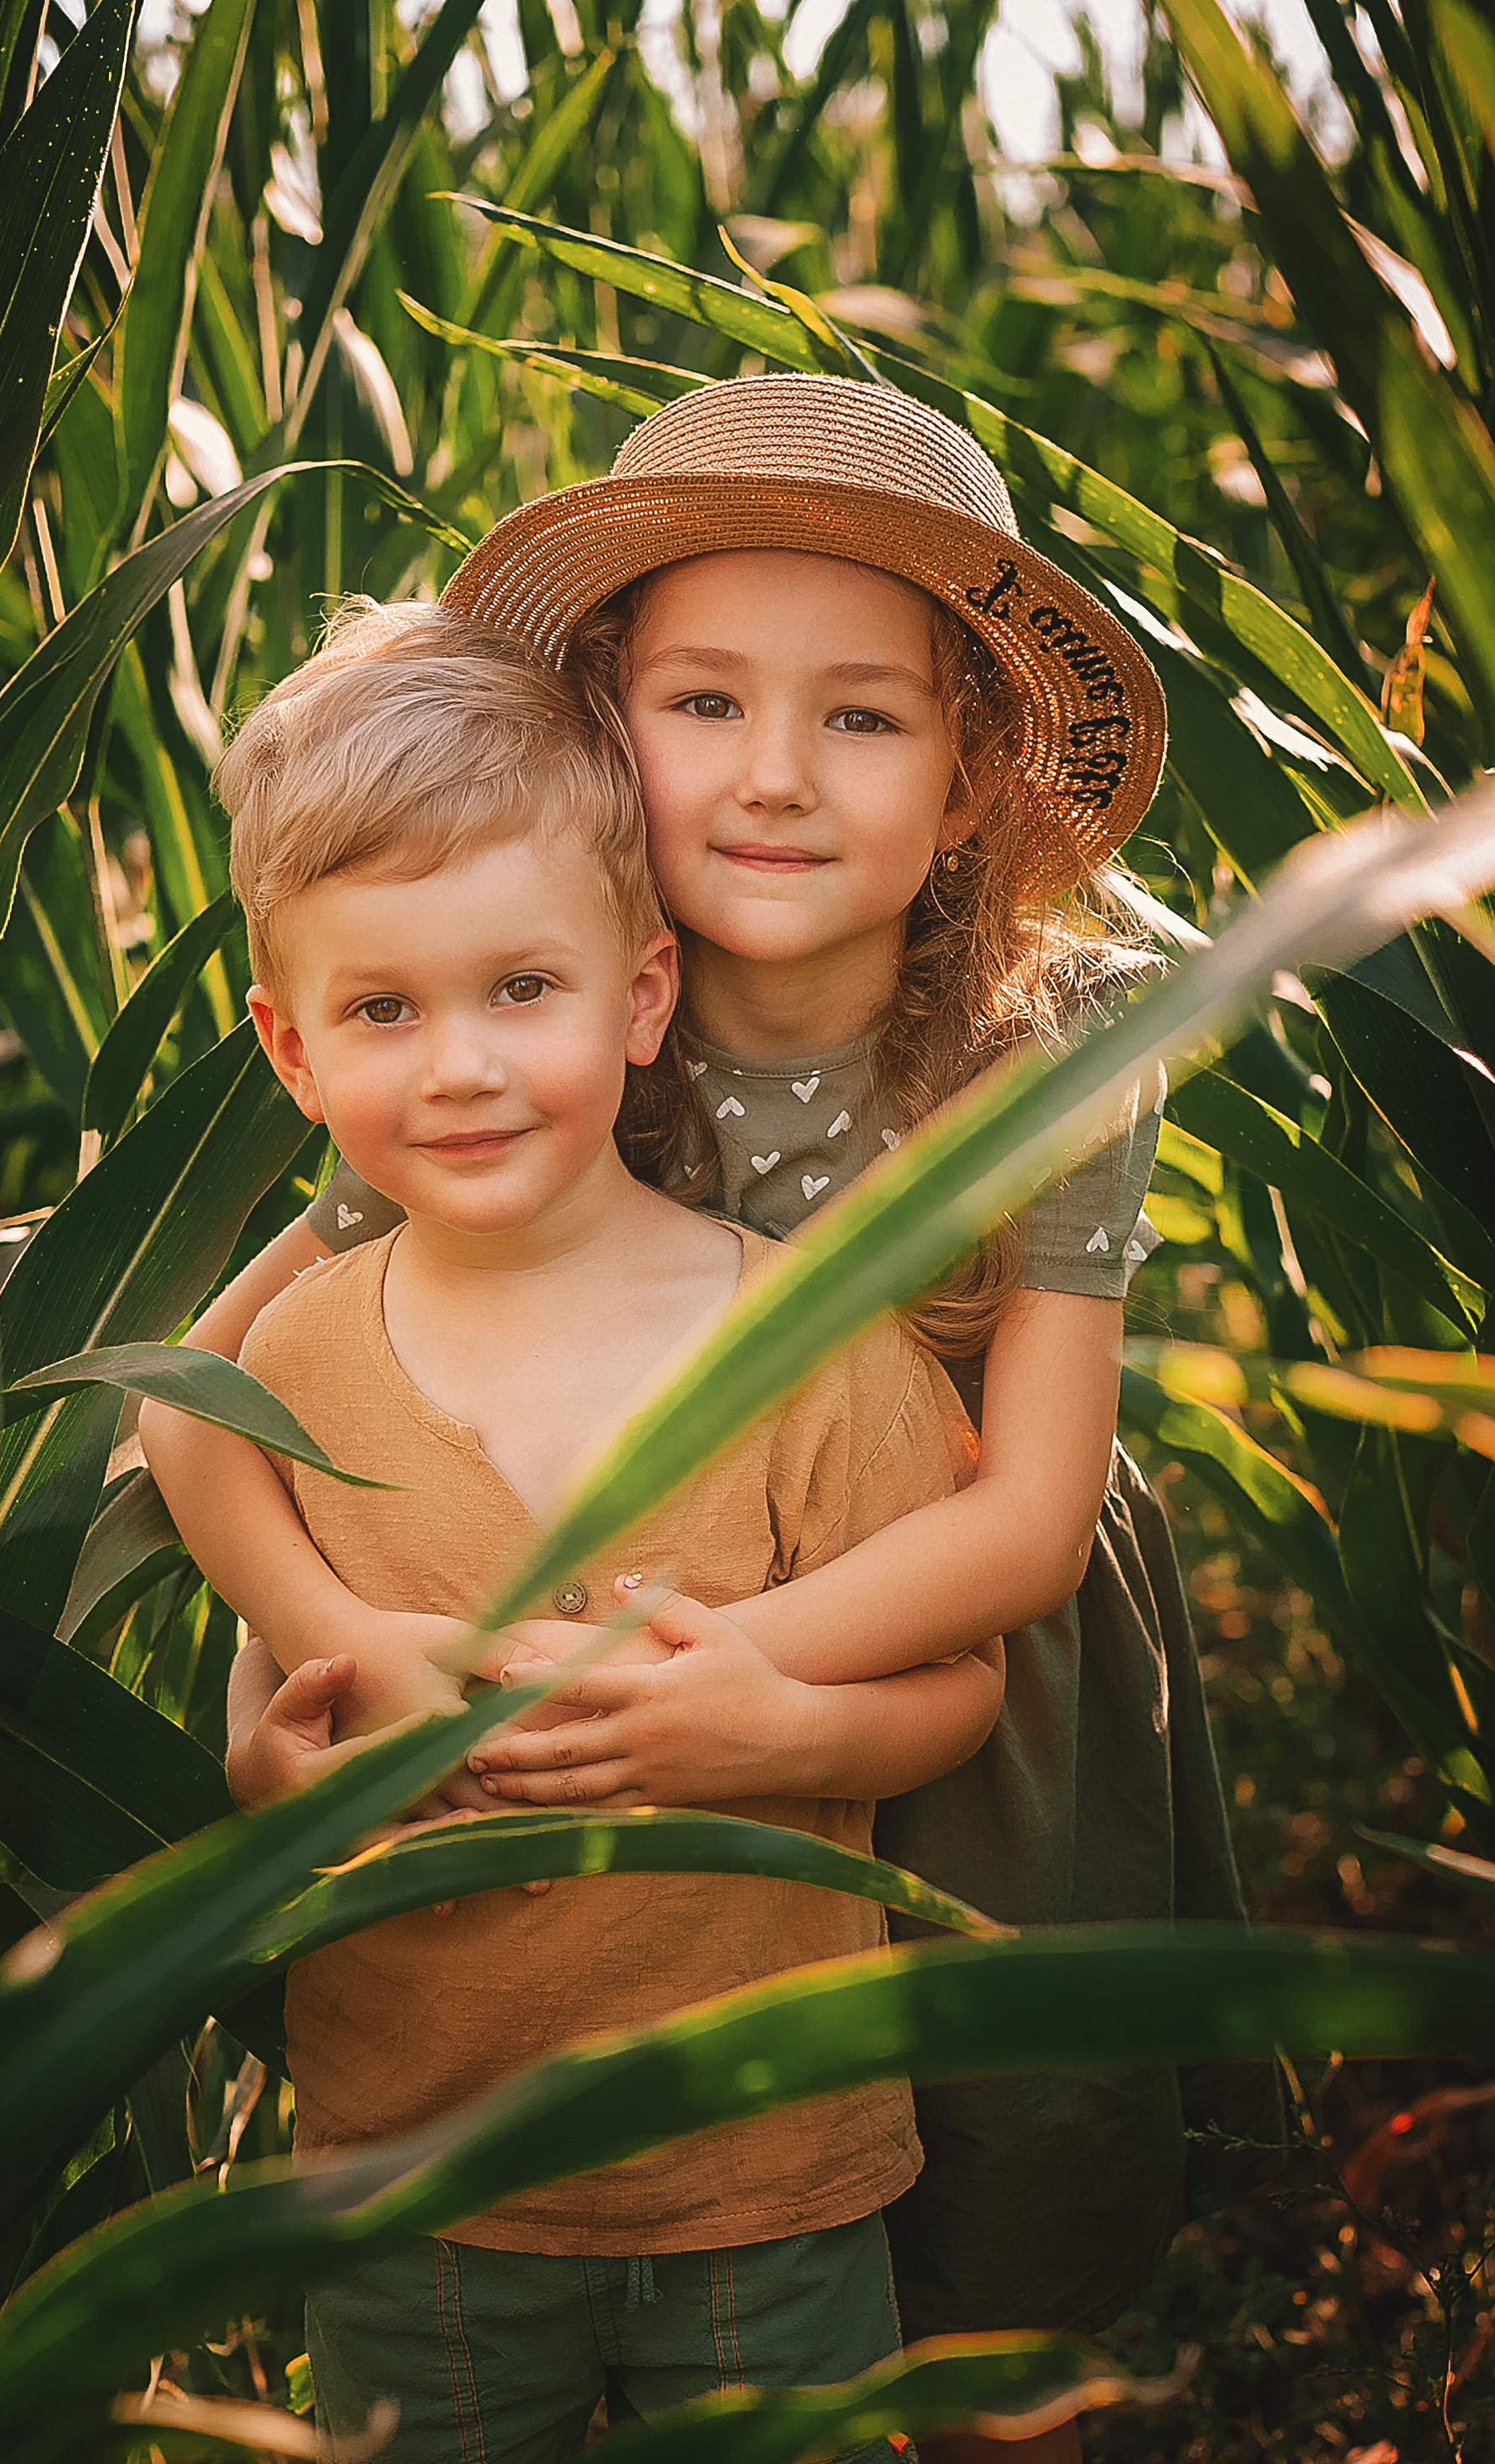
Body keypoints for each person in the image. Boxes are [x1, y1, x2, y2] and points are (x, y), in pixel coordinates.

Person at [143, 375, 1280, 2464]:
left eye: (861, 714)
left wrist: (759, 1703)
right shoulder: (535, 1008)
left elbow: (1025, 1520)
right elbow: (206, 1409)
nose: (773, 775)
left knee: (992, 2170)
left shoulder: (1053, 1043)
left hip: (959, 1665)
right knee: (668, 2143)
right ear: (605, 725)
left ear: (965, 784)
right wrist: (332, 1642)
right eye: (701, 705)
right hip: (613, 1666)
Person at [191, 597, 1006, 2464]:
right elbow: (214, 1504)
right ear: (292, 1050)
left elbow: (953, 1688)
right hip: (416, 2170)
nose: (460, 1064)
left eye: (521, 989)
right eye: (382, 1010)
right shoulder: (306, 1349)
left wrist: (788, 1730)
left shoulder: (804, 1343)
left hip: (763, 2156)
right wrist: (304, 1694)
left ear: (641, 995)